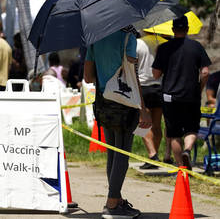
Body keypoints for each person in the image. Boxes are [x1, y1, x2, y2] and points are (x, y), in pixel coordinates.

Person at [84, 27, 151, 218]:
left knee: (112, 153)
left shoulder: (95, 38)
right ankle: (112, 203)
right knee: (122, 154)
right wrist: (142, 109)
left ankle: (117, 199)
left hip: (103, 102)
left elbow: (87, 77)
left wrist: (105, 76)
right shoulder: (128, 38)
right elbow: (131, 76)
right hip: (124, 103)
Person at [152, 15, 211, 171]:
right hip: (191, 95)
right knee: (191, 129)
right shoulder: (197, 47)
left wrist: (161, 58)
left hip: (170, 96)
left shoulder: (164, 48)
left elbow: (156, 75)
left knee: (174, 133)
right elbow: (205, 72)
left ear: (173, 30)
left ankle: (181, 170)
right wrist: (199, 88)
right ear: (187, 29)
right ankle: (187, 150)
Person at [136, 32, 173, 169]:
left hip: (142, 87)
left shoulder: (138, 43)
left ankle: (152, 155)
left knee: (141, 123)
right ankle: (154, 155)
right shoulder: (164, 43)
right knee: (157, 124)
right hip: (160, 86)